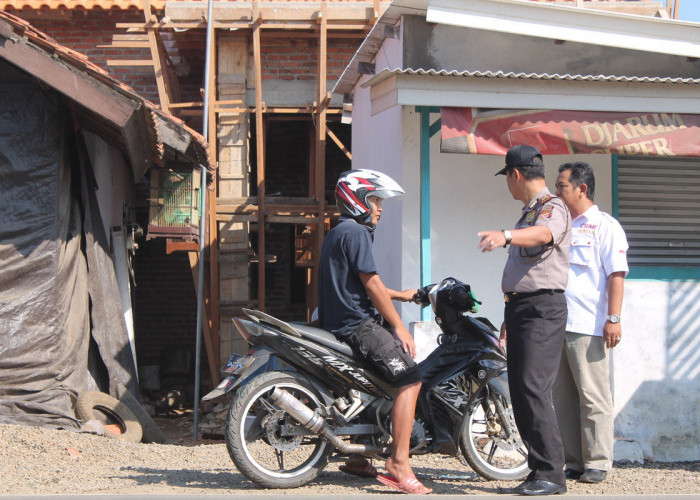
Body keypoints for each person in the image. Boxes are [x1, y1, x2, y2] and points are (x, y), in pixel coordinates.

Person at [318, 169, 431, 495]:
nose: (380, 207)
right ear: (357, 200)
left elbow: (364, 285)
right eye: (375, 199)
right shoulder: (356, 233)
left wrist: (402, 294)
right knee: (410, 378)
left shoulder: (340, 232)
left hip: (343, 322)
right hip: (358, 326)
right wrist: (398, 325)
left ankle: (358, 456)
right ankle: (398, 462)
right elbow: (370, 283)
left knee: (376, 381)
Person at [477, 145, 571, 496]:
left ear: (515, 174)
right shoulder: (528, 211)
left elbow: (544, 235)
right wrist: (510, 311)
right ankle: (537, 470)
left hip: (542, 309)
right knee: (519, 390)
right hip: (521, 309)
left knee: (533, 387)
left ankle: (552, 474)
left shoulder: (552, 207)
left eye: (507, 178)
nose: (508, 185)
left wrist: (506, 236)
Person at [553, 162, 629, 484]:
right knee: (564, 397)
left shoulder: (604, 226)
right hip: (558, 322)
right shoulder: (560, 225)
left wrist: (613, 318)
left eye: (561, 186)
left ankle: (598, 460)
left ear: (581, 189)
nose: (556, 192)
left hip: (589, 325)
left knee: (593, 395)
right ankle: (573, 460)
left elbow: (616, 275)